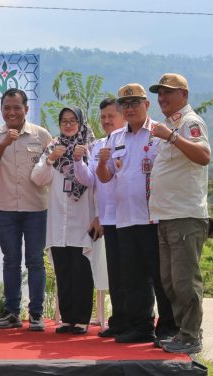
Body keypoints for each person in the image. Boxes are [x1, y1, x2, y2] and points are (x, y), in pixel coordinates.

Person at [96, 83, 177, 344]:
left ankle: (167, 327)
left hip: (153, 216)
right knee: (132, 277)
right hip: (124, 218)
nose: (129, 109)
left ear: (146, 105)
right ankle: (140, 326)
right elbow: (106, 177)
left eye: (135, 103)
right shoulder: (115, 137)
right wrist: (101, 161)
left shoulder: (158, 133)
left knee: (159, 275)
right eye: (125, 104)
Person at [0, 88, 52, 331]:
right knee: (11, 261)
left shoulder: (41, 135)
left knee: (35, 262)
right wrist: (4, 143)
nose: (11, 112)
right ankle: (12, 312)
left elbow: (52, 168)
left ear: (26, 109)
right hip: (6, 209)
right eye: (7, 108)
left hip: (36, 209)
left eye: (16, 108)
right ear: (1, 110)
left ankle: (36, 314)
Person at [148, 73, 210, 354]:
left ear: (184, 95)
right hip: (167, 215)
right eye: (159, 93)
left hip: (186, 216)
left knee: (185, 281)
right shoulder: (170, 125)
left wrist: (172, 137)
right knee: (170, 281)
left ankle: (191, 337)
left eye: (168, 93)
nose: (162, 97)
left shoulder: (190, 123)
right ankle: (183, 333)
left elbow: (203, 156)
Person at [31, 106, 96, 334]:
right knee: (63, 270)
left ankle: (81, 320)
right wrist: (50, 159)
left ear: (80, 123)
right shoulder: (53, 148)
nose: (68, 125)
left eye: (72, 121)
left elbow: (93, 182)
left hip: (82, 219)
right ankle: (67, 319)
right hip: (59, 221)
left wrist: (79, 160)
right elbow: (37, 178)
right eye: (64, 121)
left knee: (81, 271)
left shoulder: (90, 147)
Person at [73, 98, 127, 337]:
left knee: (132, 272)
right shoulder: (98, 145)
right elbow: (90, 181)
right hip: (107, 218)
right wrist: (77, 162)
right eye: (103, 116)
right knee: (115, 272)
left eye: (110, 116)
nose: (106, 120)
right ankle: (119, 321)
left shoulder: (130, 141)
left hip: (130, 216)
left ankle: (139, 320)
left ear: (123, 116)